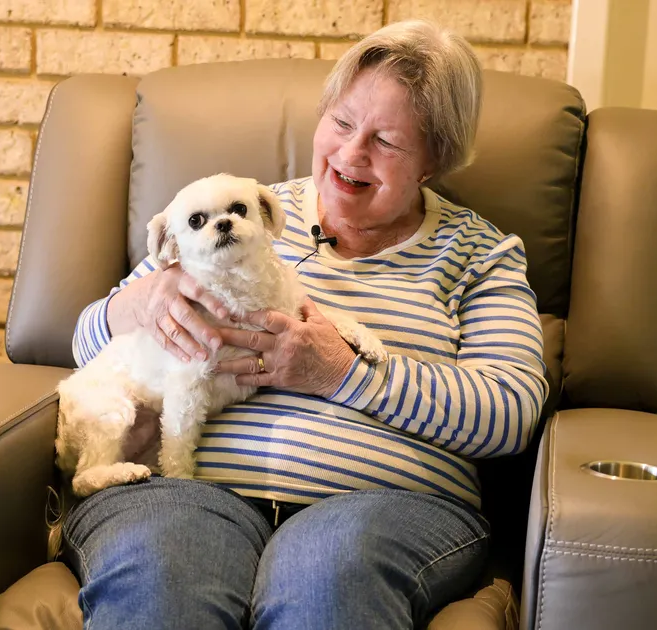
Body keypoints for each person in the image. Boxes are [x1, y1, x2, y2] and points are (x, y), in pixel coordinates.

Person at [66, 19, 548, 630]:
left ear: (435, 158)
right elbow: (85, 343)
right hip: (191, 495)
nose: (351, 154)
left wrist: (344, 375)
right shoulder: (237, 210)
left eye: (387, 141)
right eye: (342, 123)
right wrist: (138, 304)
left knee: (326, 579)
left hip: (381, 509)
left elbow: (508, 413)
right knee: (161, 578)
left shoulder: (480, 255)